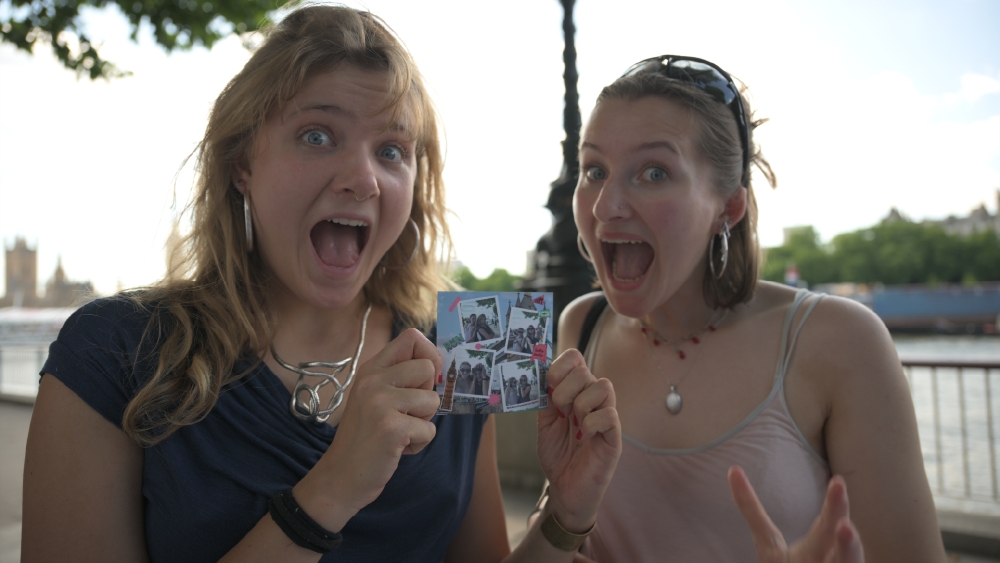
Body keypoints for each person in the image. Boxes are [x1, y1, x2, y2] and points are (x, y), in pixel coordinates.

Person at [21, 7, 621, 562]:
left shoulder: (475, 340)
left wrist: (565, 515)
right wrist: (334, 487)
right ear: (242, 163)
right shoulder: (113, 350)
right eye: (317, 135)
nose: (363, 178)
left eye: (392, 150)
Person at [551, 54, 944, 562]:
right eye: (595, 170)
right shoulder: (581, 327)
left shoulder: (840, 339)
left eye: (654, 172)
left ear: (728, 208)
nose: (605, 205)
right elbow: (565, 522)